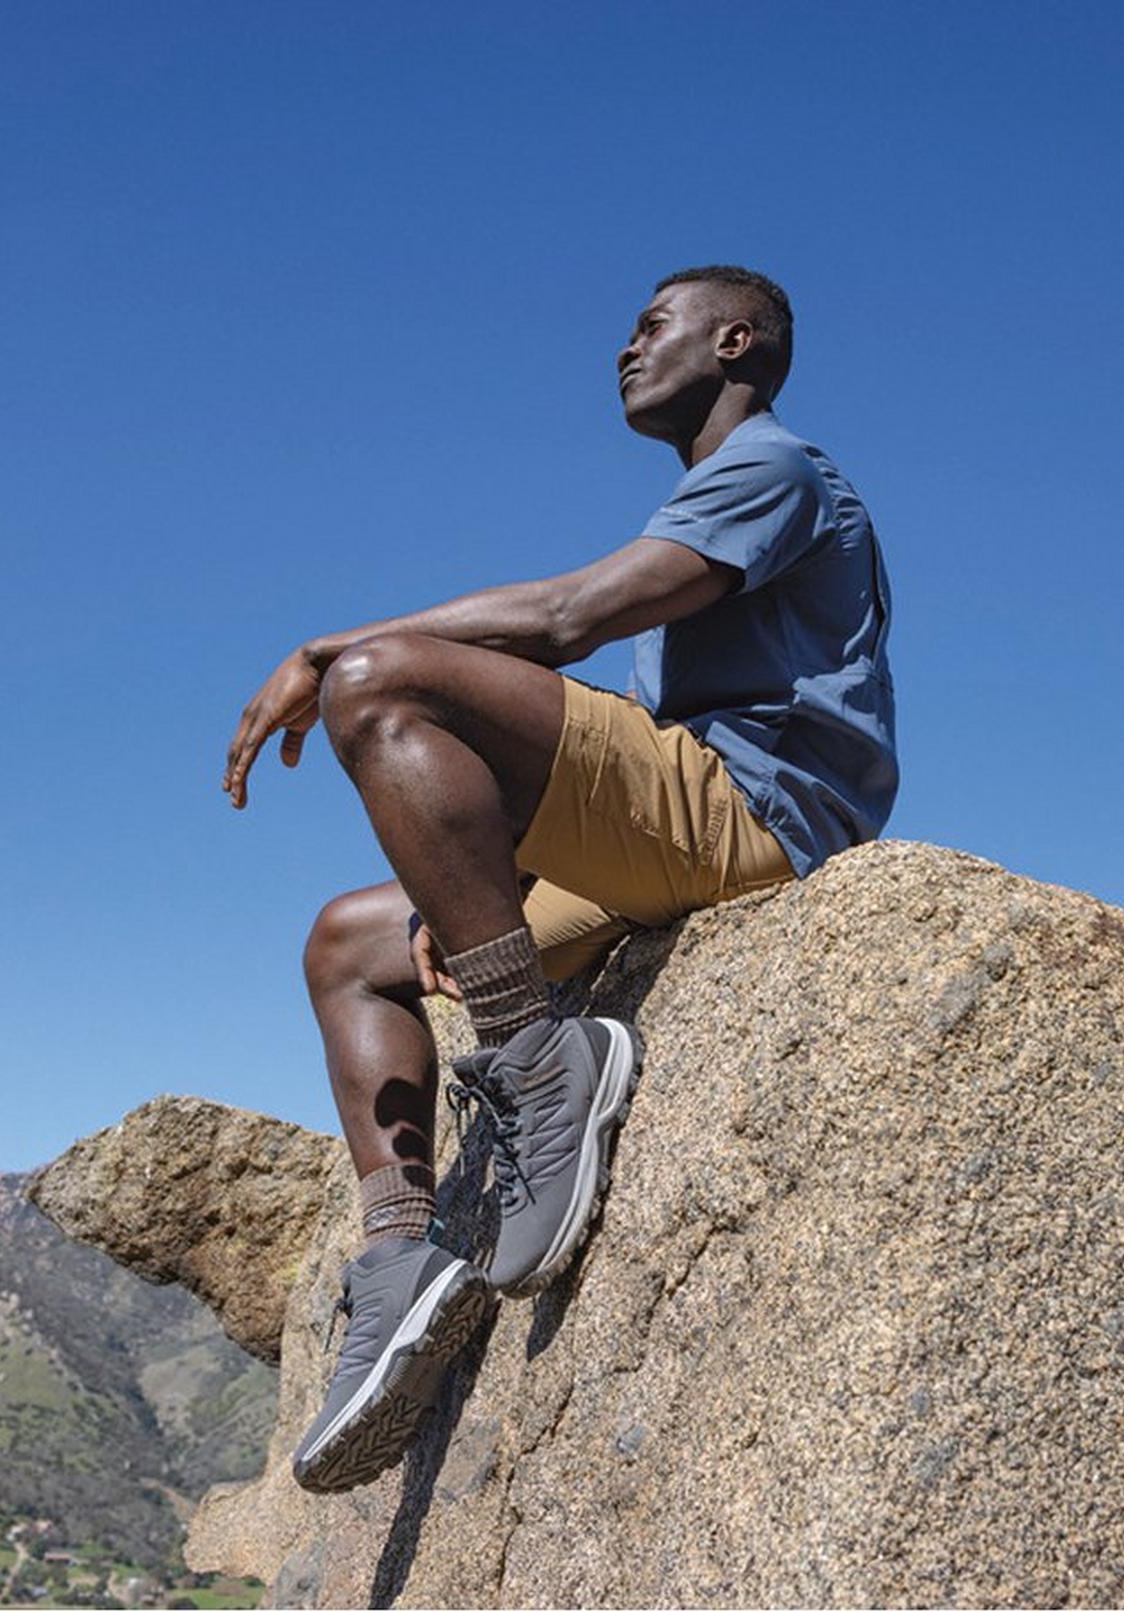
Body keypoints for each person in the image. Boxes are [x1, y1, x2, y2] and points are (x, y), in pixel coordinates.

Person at [223, 265, 896, 1494]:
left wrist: (329, 655)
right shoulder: (716, 494)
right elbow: (585, 768)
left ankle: (539, 1062)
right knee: (348, 947)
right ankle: (398, 1256)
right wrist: (468, 885)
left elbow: (569, 617)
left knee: (384, 678)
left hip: (757, 817)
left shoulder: (775, 469)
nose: (623, 350)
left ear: (734, 339)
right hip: (676, 833)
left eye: (652, 327)